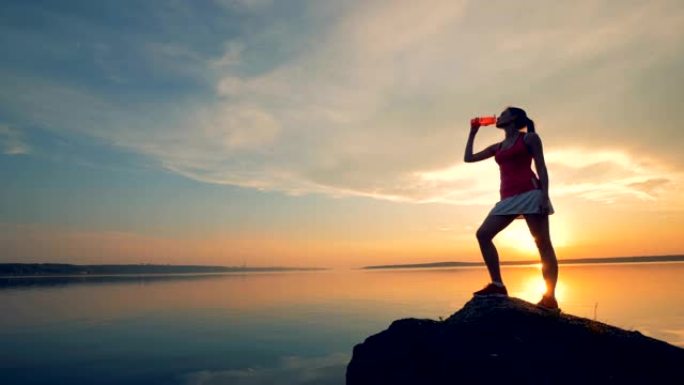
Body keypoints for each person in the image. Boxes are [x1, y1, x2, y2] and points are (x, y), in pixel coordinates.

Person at [463, 107, 559, 310]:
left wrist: (544, 194)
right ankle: (497, 285)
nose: (500, 116)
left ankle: (550, 297)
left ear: (514, 118)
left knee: (543, 244)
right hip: (507, 199)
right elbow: (468, 158)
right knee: (483, 234)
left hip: (531, 194)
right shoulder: (497, 147)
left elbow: (541, 166)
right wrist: (473, 132)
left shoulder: (529, 138)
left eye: (504, 113)